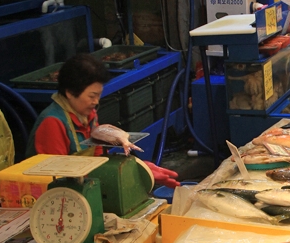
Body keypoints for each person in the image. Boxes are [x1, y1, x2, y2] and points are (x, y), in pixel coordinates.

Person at [26, 53, 180, 187]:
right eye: (92, 96)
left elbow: (99, 159)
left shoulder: (89, 115)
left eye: (98, 95)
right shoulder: (53, 123)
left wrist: (137, 168)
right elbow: (57, 180)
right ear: (70, 93)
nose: (96, 102)